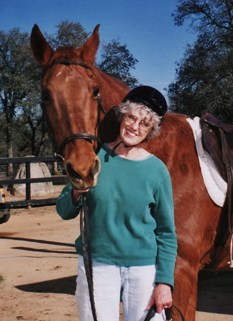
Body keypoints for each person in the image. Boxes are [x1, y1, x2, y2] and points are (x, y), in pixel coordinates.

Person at [56, 86, 177, 321]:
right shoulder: (93, 157)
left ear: (151, 130)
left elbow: (166, 232)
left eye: (144, 123)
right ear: (122, 116)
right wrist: (76, 192)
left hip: (143, 269)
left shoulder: (157, 171)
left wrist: (164, 283)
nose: (135, 126)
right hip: (97, 265)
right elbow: (63, 210)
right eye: (132, 117)